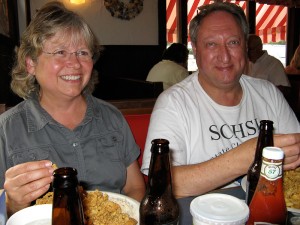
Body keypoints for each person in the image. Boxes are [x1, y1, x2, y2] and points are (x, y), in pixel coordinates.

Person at [0, 1, 145, 216]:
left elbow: (135, 187)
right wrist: (13, 204)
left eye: (83, 53)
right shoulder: (6, 128)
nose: (75, 64)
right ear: (31, 63)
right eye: (60, 52)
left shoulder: (112, 117)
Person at [141, 2, 300, 199]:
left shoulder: (268, 93)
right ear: (196, 49)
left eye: (233, 42)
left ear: (245, 47)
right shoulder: (173, 103)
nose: (224, 57)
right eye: (211, 44)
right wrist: (243, 159)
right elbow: (161, 184)